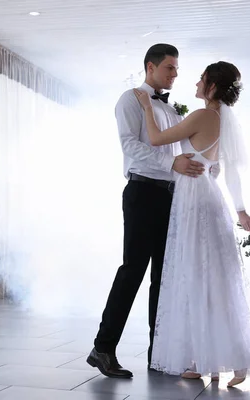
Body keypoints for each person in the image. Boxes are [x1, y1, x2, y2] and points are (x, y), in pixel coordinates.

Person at [133, 61, 250, 387]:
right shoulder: (223, 119)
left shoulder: (204, 116)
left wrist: (145, 107)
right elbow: (229, 171)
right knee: (210, 279)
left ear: (211, 86)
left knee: (196, 275)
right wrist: (240, 210)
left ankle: (210, 357)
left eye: (201, 78)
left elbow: (155, 139)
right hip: (210, 201)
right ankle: (209, 358)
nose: (195, 81)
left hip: (195, 202)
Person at [87, 44, 219, 379]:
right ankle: (103, 348)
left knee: (164, 277)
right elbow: (130, 145)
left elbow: (181, 146)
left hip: (171, 196)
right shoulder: (130, 100)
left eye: (177, 68)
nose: (175, 74)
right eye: (170, 68)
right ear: (151, 67)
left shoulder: (171, 107)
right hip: (142, 192)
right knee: (133, 270)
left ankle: (157, 355)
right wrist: (171, 161)